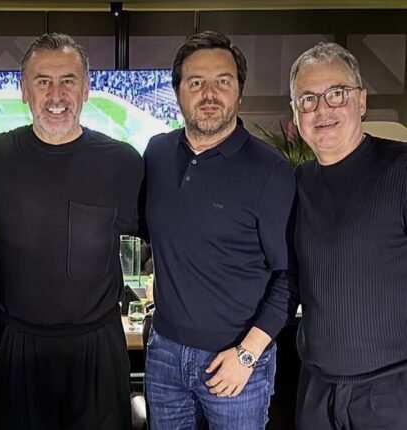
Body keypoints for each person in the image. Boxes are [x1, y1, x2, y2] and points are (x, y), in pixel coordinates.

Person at [0, 33, 143, 430]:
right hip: (17, 346)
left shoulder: (123, 163)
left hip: (98, 348)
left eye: (68, 80)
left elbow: (170, 241)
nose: (56, 95)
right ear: (24, 89)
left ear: (86, 88)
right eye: (43, 81)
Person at [142, 31, 297, 430]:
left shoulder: (271, 171)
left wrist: (247, 354)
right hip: (164, 355)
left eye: (222, 81)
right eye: (196, 82)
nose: (209, 94)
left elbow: (290, 276)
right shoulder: (157, 153)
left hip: (237, 360)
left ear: (239, 92)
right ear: (177, 92)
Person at [289, 42, 407, 429]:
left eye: (337, 93)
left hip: (392, 392)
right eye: (307, 99)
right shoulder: (296, 184)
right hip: (316, 390)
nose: (322, 109)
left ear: (362, 101)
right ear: (296, 113)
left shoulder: (401, 169)